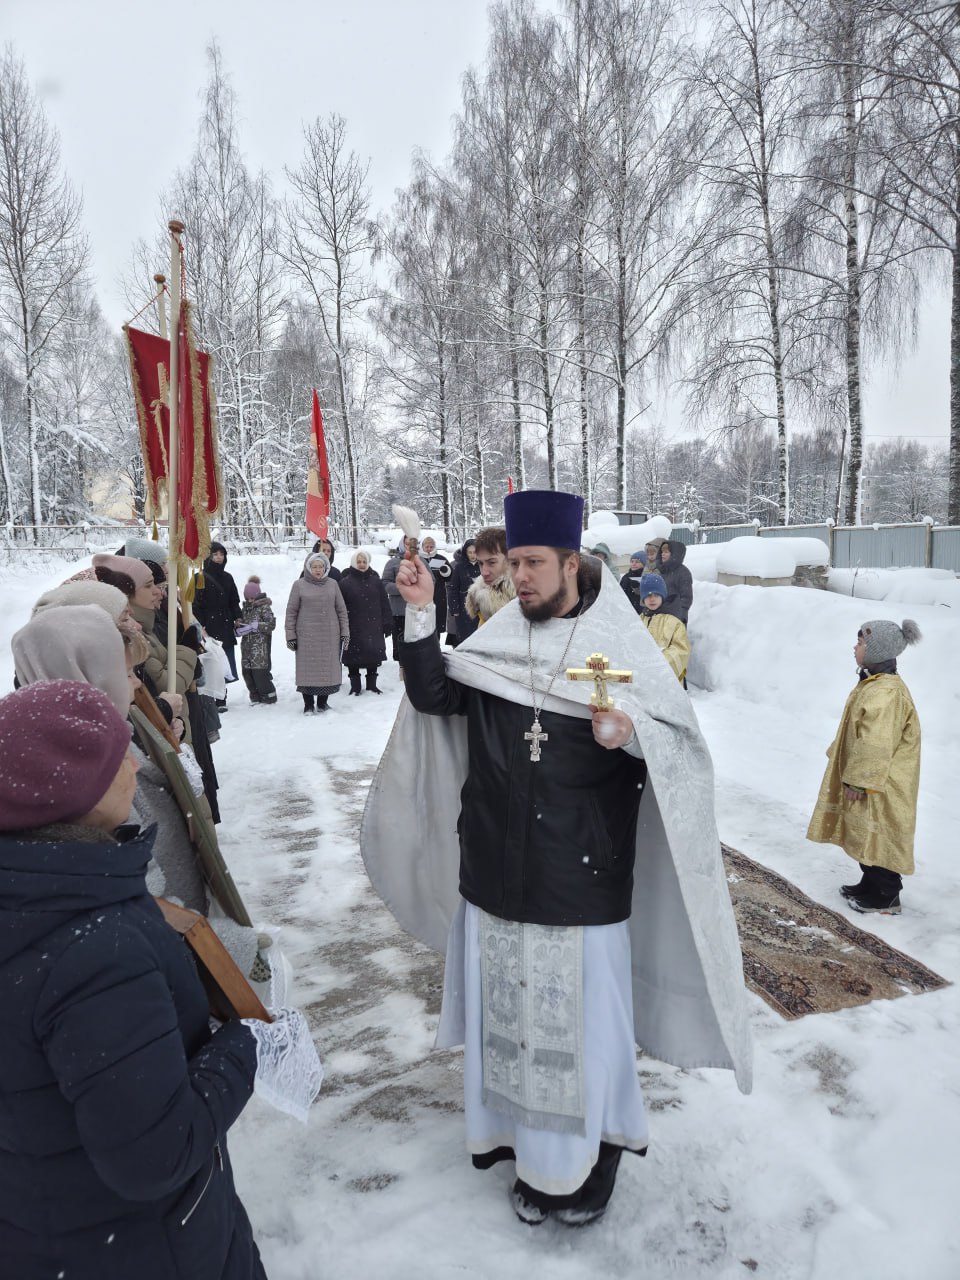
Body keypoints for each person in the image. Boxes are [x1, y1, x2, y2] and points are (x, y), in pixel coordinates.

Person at [362, 489, 751, 1229]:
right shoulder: (502, 636)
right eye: (514, 564)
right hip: (497, 876)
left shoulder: (625, 645)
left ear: (573, 562)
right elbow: (437, 693)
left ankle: (591, 1158)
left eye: (534, 564)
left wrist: (632, 732)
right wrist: (417, 616)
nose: (522, 578)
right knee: (509, 1024)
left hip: (582, 880)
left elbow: (684, 751)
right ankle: (518, 1148)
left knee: (584, 1034)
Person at [0, 680, 268, 1279]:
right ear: (74, 788)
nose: (134, 765)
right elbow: (154, 1155)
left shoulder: (37, 897)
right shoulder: (94, 947)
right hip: (150, 1246)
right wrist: (242, 1045)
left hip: (53, 1226)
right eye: (119, 753)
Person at [806, 618, 922, 914]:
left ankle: (886, 894)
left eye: (860, 644)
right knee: (864, 830)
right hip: (872, 775)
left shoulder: (887, 692)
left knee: (879, 831)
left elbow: (877, 743)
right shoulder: (873, 683)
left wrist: (859, 779)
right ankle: (869, 882)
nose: (855, 648)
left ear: (876, 651)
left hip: (882, 780)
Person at [285, 551, 349, 713]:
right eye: (314, 566)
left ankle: (322, 703)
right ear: (308, 567)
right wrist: (291, 635)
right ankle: (308, 704)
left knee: (326, 670)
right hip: (306, 636)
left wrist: (345, 633)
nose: (318, 569)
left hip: (329, 635)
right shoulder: (299, 585)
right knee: (308, 670)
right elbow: (291, 612)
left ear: (326, 568)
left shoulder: (333, 584)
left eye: (321, 566)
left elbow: (341, 610)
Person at [338, 549, 393, 695]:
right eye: (359, 561)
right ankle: (355, 687)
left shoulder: (376, 581)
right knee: (352, 658)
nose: (362, 564)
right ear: (353, 563)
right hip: (353, 626)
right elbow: (340, 607)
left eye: (364, 562)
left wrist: (387, 622)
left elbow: (384, 602)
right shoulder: (345, 583)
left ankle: (371, 685)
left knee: (372, 656)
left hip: (373, 626)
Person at [193, 542, 243, 682]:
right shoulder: (199, 577)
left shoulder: (228, 577)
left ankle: (222, 700)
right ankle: (215, 700)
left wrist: (238, 617)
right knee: (211, 664)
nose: (219, 557)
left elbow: (234, 601)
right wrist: (201, 626)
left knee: (225, 664)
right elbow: (195, 605)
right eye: (215, 554)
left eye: (222, 554)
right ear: (208, 557)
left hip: (226, 625)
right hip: (209, 627)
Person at [636, 573, 690, 683]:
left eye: (656, 595)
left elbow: (681, 649)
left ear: (663, 596)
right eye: (648, 595)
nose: (652, 599)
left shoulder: (674, 622)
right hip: (643, 678)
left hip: (666, 680)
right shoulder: (639, 619)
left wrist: (659, 665)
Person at [464, 525, 516, 625]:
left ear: (511, 559)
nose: (484, 572)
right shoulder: (478, 595)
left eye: (491, 563)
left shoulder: (528, 599)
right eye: (480, 563)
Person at [239, 577, 277, 705]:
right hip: (246, 648)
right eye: (248, 598)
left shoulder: (264, 608)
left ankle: (269, 696)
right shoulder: (245, 609)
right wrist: (239, 627)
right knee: (247, 674)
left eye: (252, 598)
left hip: (259, 650)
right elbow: (240, 622)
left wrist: (258, 626)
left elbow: (271, 624)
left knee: (260, 674)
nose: (250, 600)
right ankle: (255, 696)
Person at [382, 537, 419, 665]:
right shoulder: (393, 563)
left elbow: (431, 581)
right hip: (399, 611)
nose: (409, 546)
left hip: (418, 610)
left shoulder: (421, 562)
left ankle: (416, 666)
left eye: (411, 544)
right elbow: (385, 584)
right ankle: (402, 667)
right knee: (400, 642)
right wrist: (401, 587)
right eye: (407, 544)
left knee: (417, 643)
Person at [447, 537, 481, 646]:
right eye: (469, 552)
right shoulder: (459, 567)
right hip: (463, 607)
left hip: (481, 606)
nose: (472, 555)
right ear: (465, 552)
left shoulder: (483, 565)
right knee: (465, 636)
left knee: (480, 634)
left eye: (475, 552)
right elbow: (453, 588)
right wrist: (455, 608)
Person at [656, 539, 693, 624]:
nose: (662, 554)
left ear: (674, 554)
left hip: (675, 617)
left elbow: (686, 598)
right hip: (660, 615)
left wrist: (678, 616)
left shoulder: (683, 573)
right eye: (662, 552)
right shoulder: (661, 571)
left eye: (666, 552)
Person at [420, 536, 452, 635]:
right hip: (421, 595)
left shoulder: (441, 559)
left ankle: (436, 646)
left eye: (431, 547)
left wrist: (446, 572)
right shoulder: (417, 559)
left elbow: (449, 577)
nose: (429, 549)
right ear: (422, 547)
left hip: (438, 595)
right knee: (422, 623)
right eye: (427, 547)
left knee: (436, 623)